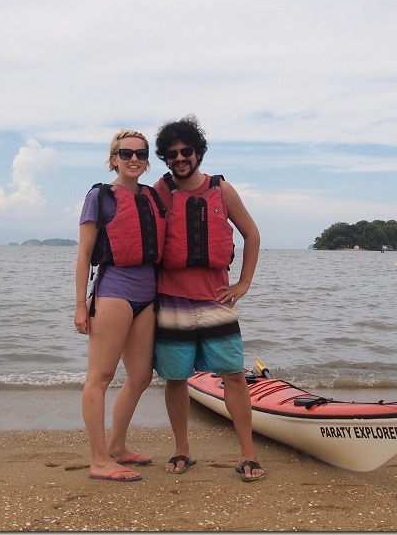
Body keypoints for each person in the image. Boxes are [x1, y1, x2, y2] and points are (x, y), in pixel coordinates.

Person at [151, 115, 267, 482]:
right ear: (165, 158)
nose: (180, 158)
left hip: (216, 301)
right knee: (174, 378)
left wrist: (244, 283)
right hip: (172, 302)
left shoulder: (222, 190)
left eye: (187, 151)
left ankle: (248, 454)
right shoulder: (160, 191)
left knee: (233, 375)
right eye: (172, 154)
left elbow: (252, 234)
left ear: (198, 153)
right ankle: (182, 449)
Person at [74, 129, 166, 482]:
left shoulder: (152, 197)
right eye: (125, 154)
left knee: (141, 376)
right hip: (114, 291)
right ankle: (99, 460)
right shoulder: (99, 197)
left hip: (148, 294)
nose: (133, 160)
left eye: (140, 154)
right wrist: (81, 305)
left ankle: (117, 446)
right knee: (100, 377)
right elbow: (84, 254)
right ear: (113, 159)